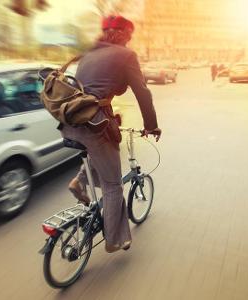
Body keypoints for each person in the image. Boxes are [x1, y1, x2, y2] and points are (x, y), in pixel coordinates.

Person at [60, 15, 161, 253]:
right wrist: (151, 125)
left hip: (72, 122)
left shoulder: (88, 54)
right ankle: (114, 239)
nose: (130, 39)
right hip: (96, 123)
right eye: (130, 35)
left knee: (99, 154)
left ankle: (79, 181)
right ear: (123, 34)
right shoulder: (126, 55)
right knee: (113, 184)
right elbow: (142, 93)